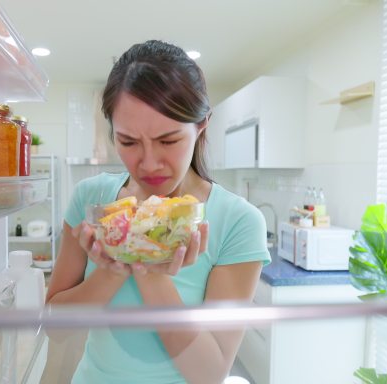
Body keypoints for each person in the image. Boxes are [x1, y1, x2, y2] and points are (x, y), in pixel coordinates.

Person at [45, 40, 271, 384]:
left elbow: (209, 374)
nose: (148, 164)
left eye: (168, 141)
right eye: (128, 142)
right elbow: (55, 328)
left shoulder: (238, 222)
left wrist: (149, 267)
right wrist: (113, 267)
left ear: (202, 125)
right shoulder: (92, 200)